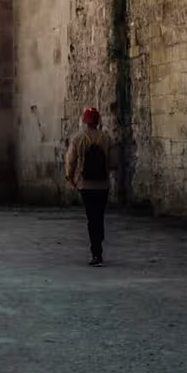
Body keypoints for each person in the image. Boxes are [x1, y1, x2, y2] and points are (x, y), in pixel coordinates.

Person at [65, 107, 111, 264]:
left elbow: (70, 161)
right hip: (103, 185)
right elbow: (114, 162)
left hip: (86, 185)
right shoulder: (106, 138)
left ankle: (96, 252)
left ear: (85, 121)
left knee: (91, 218)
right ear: (97, 121)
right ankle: (99, 241)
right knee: (99, 216)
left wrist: (70, 178)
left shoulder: (77, 138)